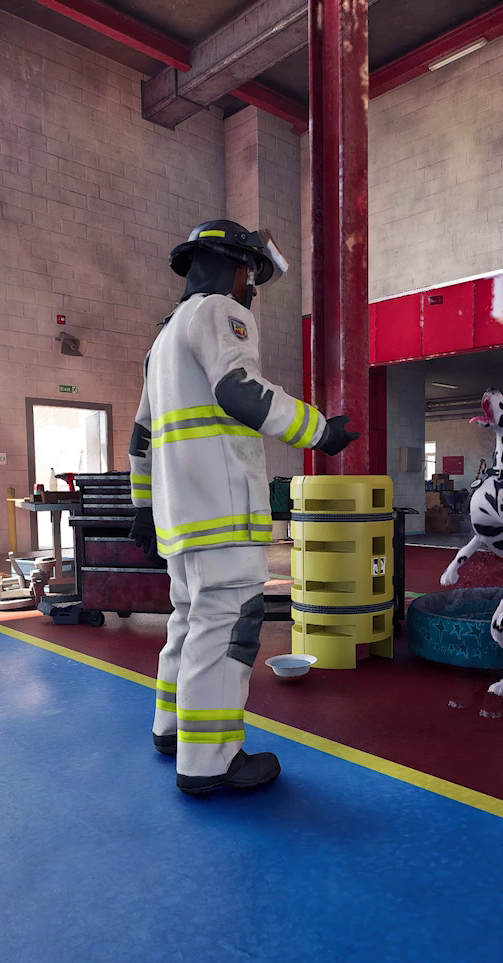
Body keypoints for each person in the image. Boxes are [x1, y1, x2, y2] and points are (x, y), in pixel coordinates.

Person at [129, 219, 358, 796]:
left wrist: (143, 508)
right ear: (236, 267)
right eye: (252, 276)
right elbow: (239, 391)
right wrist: (322, 431)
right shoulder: (218, 313)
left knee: (189, 624)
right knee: (226, 631)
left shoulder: (162, 341)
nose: (251, 289)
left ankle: (171, 731)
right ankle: (209, 762)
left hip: (181, 521)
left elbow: (140, 439)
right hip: (223, 516)